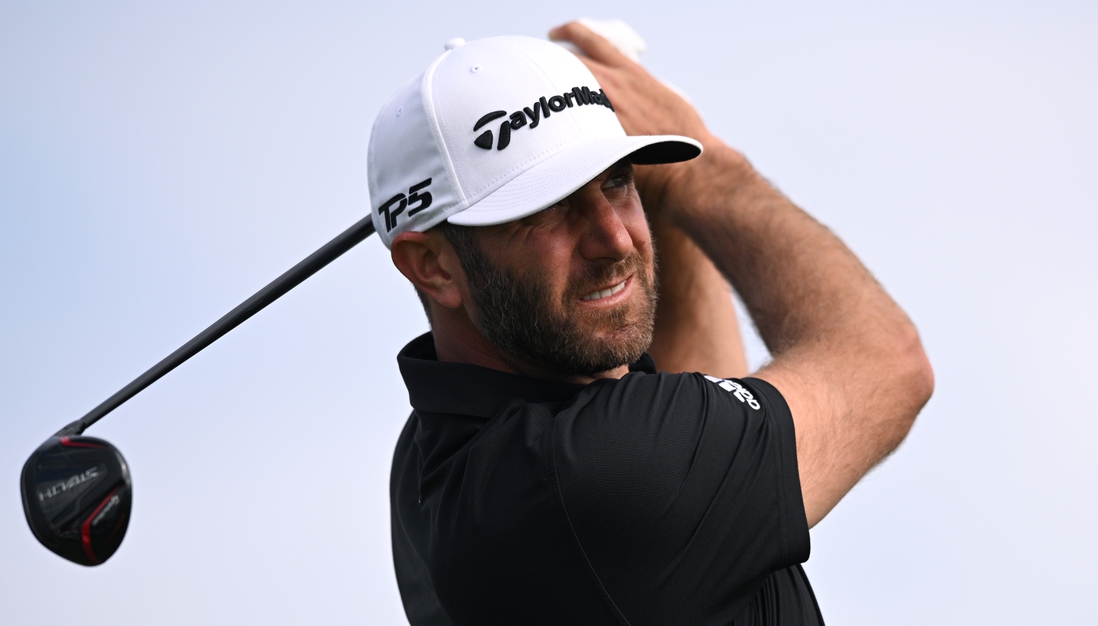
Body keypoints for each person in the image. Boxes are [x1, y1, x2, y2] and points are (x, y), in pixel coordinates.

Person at [366, 23, 933, 626]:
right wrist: (707, 167)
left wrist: (661, 192)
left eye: (617, 181)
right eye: (546, 211)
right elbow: (888, 362)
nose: (614, 239)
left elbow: (697, 405)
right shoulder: (586, 475)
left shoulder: (432, 455)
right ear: (432, 266)